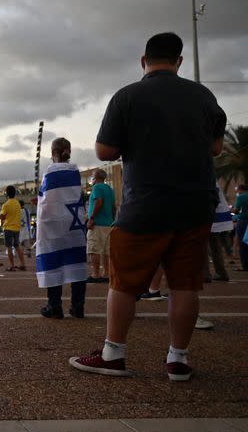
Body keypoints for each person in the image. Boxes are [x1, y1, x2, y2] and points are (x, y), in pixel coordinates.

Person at [70, 32, 227, 381]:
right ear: (179, 61)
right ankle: (179, 360)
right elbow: (215, 148)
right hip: (195, 204)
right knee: (185, 284)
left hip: (146, 204)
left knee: (124, 282)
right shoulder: (204, 96)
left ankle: (114, 354)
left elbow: (105, 152)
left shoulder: (128, 96)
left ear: (144, 61)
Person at [35, 138, 87, 319]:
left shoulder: (50, 172)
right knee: (76, 262)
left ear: (52, 153)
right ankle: (78, 305)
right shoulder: (75, 172)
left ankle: (54, 305)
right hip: (74, 222)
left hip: (54, 224)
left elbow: (45, 201)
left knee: (53, 261)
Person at [86, 169, 117, 283]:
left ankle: (95, 274)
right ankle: (107, 274)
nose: (91, 178)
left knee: (94, 249)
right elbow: (113, 206)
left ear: (96, 177)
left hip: (97, 224)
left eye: (92, 176)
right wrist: (113, 220)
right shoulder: (109, 189)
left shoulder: (97, 188)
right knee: (106, 251)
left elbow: (98, 202)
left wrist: (92, 218)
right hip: (108, 224)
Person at [209, 184, 233, 282]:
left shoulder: (207, 180)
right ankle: (220, 272)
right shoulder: (212, 180)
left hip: (211, 217)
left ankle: (207, 274)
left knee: (209, 247)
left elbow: (214, 199)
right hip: (217, 218)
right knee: (215, 247)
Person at [0, 186, 26, 271]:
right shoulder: (17, 203)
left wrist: (1, 217)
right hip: (16, 228)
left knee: (9, 247)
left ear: (6, 194)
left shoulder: (6, 204)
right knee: (17, 246)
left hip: (8, 228)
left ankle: (12, 265)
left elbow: (2, 216)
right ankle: (23, 264)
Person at [233, 184, 248, 272]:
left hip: (243, 221)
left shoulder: (241, 197)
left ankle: (245, 266)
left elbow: (236, 210)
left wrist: (231, 211)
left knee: (242, 244)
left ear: (240, 189)